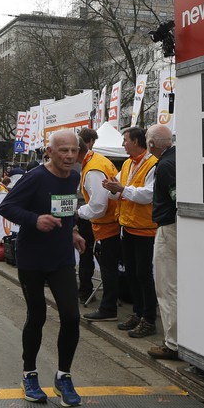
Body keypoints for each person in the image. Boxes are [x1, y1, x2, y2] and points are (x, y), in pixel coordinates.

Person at [0, 128, 87, 408]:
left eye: (74, 150)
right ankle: (29, 374)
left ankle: (63, 377)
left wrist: (73, 232)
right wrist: (35, 220)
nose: (70, 156)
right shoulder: (35, 177)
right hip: (32, 258)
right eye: (63, 150)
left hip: (61, 257)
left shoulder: (74, 176)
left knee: (71, 316)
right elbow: (6, 207)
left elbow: (66, 210)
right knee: (37, 316)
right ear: (49, 152)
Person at [102, 126, 159, 339]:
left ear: (136, 141)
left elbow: (148, 195)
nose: (123, 144)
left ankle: (149, 319)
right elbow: (118, 189)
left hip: (145, 229)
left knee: (144, 274)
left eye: (125, 140)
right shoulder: (127, 163)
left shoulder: (153, 164)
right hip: (127, 226)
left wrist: (121, 189)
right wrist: (111, 188)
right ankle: (138, 313)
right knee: (132, 273)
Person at [76, 127, 121, 321]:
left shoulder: (93, 168)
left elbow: (98, 206)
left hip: (108, 224)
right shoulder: (95, 161)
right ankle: (109, 306)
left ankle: (108, 308)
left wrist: (78, 213)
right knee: (108, 267)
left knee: (108, 268)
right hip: (109, 222)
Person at [145, 125, 178, 361]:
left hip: (168, 227)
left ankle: (172, 343)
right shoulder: (176, 159)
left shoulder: (165, 165)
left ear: (151, 144)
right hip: (176, 226)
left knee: (167, 287)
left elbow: (176, 197)